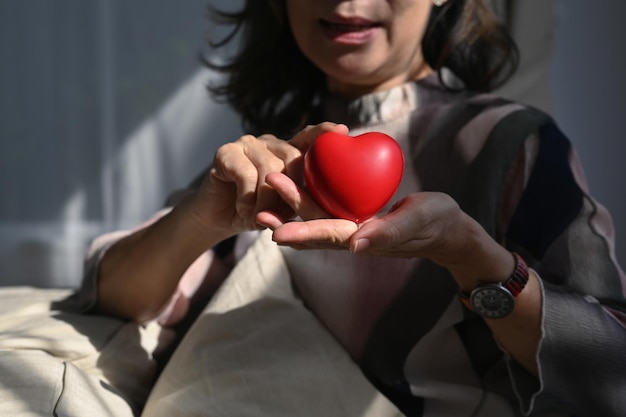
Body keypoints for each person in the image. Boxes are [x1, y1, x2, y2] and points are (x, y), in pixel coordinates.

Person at [78, 0, 626, 416]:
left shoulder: (511, 143)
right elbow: (113, 298)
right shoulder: (270, 159)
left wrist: (475, 260)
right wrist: (200, 219)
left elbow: (611, 367)